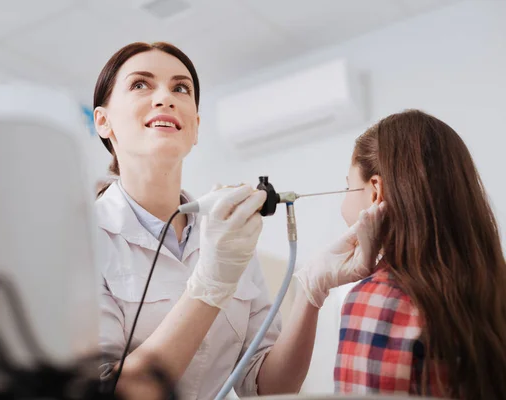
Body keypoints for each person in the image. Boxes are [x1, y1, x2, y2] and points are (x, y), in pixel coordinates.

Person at [93, 41, 385, 399]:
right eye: (141, 84)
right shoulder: (82, 239)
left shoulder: (228, 236)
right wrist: (211, 284)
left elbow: (269, 386)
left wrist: (311, 291)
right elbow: (112, 393)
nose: (165, 97)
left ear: (196, 127)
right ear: (103, 122)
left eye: (180, 88)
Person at [334, 109, 506, 398]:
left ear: (375, 190)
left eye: (348, 185)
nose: (344, 195)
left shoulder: (378, 298)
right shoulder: (495, 288)